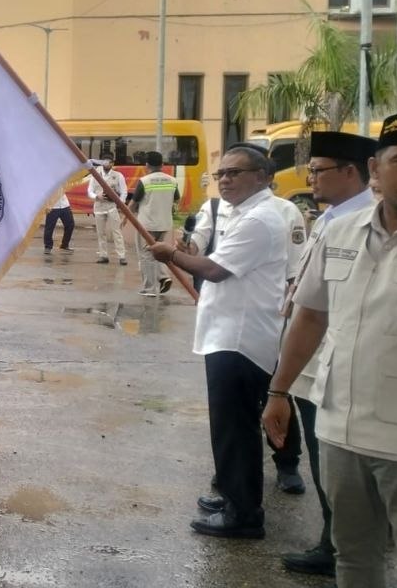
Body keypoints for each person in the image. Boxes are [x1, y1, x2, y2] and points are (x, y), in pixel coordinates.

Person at [261, 114, 397, 588]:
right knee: (354, 558)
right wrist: (278, 390)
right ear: (376, 170)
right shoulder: (340, 232)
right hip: (340, 429)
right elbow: (311, 316)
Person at [149, 145, 289, 539]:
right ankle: (234, 495)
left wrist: (170, 254)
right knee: (232, 425)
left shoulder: (260, 219)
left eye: (235, 173)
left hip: (240, 340)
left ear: (262, 176)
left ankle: (243, 514)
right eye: (221, 173)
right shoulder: (246, 213)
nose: (225, 180)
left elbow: (214, 269)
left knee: (235, 427)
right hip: (229, 333)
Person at [130, 151, 179, 296]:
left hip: (147, 225)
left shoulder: (145, 181)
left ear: (146, 165)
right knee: (161, 251)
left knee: (146, 255)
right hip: (164, 223)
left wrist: (126, 217)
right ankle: (164, 277)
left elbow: (134, 202)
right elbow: (176, 199)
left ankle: (149, 288)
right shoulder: (172, 180)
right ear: (162, 165)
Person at [88, 154, 128, 265]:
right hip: (99, 207)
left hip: (112, 207)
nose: (107, 164)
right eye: (105, 161)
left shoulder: (118, 175)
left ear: (112, 163)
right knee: (101, 233)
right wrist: (97, 196)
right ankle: (103, 255)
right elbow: (90, 191)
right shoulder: (95, 175)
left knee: (117, 231)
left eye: (109, 162)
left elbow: (124, 191)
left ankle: (122, 256)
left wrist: (120, 203)